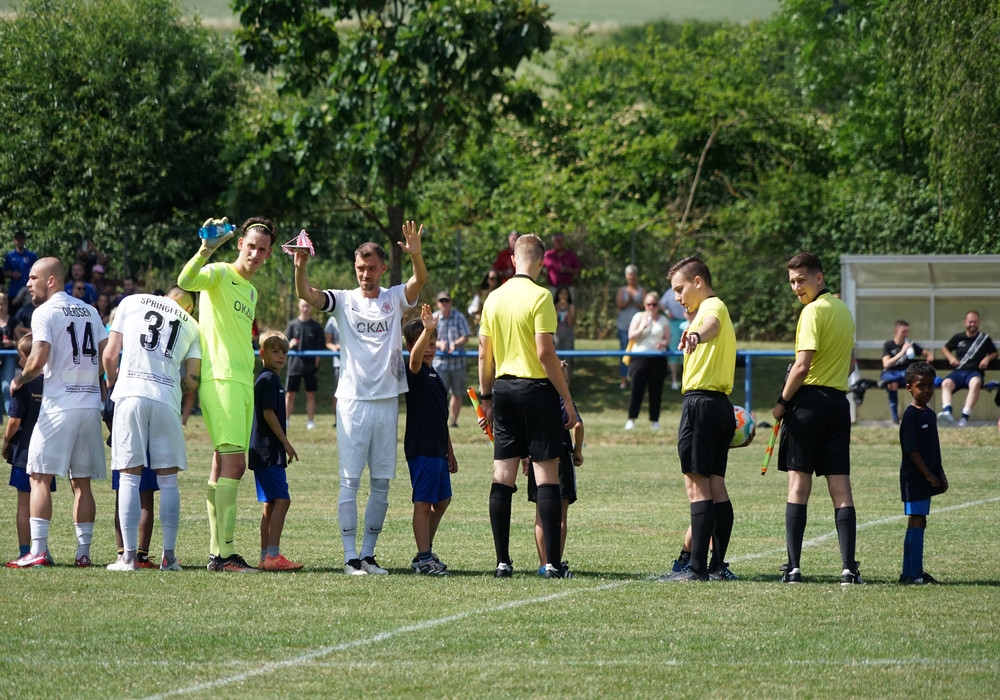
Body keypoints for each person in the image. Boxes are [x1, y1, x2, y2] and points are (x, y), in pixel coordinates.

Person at [293, 221, 427, 575]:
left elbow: (419, 281)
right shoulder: (344, 300)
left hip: (387, 401)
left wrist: (416, 255)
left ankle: (368, 555)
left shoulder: (393, 298)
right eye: (360, 268)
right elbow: (308, 294)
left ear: (382, 269)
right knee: (350, 481)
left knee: (381, 483)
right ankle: (350, 556)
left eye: (371, 268)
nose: (365, 274)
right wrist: (301, 266)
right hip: (352, 402)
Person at [477, 233, 580, 579]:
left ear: (513, 259)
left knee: (502, 475)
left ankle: (502, 562)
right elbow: (544, 352)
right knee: (546, 475)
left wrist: (487, 398)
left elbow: (484, 353)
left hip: (504, 389)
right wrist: (566, 399)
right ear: (541, 261)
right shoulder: (541, 296)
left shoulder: (494, 298)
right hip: (537, 390)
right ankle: (552, 564)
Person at [178, 216, 275, 573]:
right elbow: (186, 281)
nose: (255, 253)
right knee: (235, 464)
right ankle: (226, 555)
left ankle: (216, 553)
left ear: (268, 254)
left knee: (222, 464)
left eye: (262, 249)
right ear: (239, 245)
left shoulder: (251, 291)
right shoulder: (218, 272)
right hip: (221, 379)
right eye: (251, 246)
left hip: (242, 382)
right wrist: (206, 248)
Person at [8, 258, 108, 568]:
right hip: (89, 406)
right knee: (82, 483)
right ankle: (83, 554)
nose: (28, 283)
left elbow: (38, 357)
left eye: (33, 277)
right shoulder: (90, 311)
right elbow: (106, 355)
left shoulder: (44, 312)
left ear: (51, 280)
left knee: (38, 476)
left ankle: (37, 551)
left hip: (59, 406)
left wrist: (19, 379)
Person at [772, 252, 861, 585]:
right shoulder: (844, 311)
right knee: (841, 487)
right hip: (838, 404)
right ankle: (849, 569)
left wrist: (782, 402)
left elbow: (802, 365)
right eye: (792, 282)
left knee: (799, 485)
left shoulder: (811, 312)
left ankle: (793, 568)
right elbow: (851, 364)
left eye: (802, 280)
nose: (796, 287)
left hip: (807, 405)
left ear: (819, 278)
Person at [103, 286, 201, 572]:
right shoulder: (192, 325)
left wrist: (112, 382)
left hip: (131, 393)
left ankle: (128, 557)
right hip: (166, 398)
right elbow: (192, 378)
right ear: (189, 307)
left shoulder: (131, 301)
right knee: (168, 480)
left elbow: (110, 355)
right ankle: (169, 557)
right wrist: (175, 388)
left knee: (129, 477)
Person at [658, 258, 741, 582]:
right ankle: (717, 566)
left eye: (680, 289)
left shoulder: (711, 307)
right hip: (720, 406)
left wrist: (696, 336)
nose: (677, 297)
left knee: (697, 488)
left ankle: (695, 569)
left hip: (700, 405)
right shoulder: (711, 309)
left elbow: (711, 326)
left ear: (697, 281)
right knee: (716, 486)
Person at [403, 306, 458, 575]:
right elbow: (414, 359)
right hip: (421, 448)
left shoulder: (437, 377)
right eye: (423, 343)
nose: (428, 349)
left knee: (443, 500)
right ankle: (424, 559)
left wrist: (450, 451)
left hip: (437, 449)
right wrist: (427, 330)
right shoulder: (414, 371)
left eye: (433, 343)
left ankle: (424, 551)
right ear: (411, 346)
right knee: (423, 503)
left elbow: (441, 418)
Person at [250, 330, 302, 571]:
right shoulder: (269, 379)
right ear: (262, 353)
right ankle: (272, 556)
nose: (281, 356)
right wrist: (285, 443)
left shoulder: (268, 378)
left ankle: (265, 557)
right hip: (268, 451)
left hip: (262, 452)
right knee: (282, 500)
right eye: (275, 351)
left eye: (284, 352)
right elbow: (268, 414)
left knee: (270, 504)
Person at [524, 361, 582, 579]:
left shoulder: (534, 399)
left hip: (536, 457)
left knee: (540, 514)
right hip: (560, 457)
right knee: (560, 515)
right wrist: (578, 450)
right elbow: (578, 425)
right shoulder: (562, 399)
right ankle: (554, 562)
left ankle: (543, 563)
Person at [897, 361, 948, 585]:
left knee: (918, 521)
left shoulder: (930, 415)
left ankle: (908, 573)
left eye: (930, 385)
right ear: (909, 387)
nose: (926, 390)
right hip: (915, 478)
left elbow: (933, 449)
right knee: (917, 520)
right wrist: (927, 474)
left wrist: (940, 473)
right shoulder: (911, 416)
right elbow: (911, 450)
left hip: (927, 476)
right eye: (921, 386)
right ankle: (915, 573)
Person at [3, 333, 51, 566]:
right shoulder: (50, 382)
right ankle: (42, 548)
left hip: (24, 449)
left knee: (24, 502)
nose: (20, 361)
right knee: (42, 497)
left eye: (22, 357)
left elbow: (14, 420)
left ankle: (25, 551)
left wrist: (5, 443)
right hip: (47, 448)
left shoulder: (22, 384)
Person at [937, 310, 997, 427]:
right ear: (965, 322)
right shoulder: (958, 337)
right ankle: (947, 412)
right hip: (958, 372)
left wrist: (987, 358)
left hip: (974, 373)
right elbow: (944, 349)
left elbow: (995, 353)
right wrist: (950, 358)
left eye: (975, 322)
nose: (972, 324)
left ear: (978, 322)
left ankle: (964, 418)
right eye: (970, 322)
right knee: (946, 383)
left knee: (976, 383)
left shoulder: (984, 338)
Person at [624, 292, 670, 431]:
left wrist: (662, 343)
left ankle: (655, 421)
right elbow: (631, 336)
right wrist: (642, 327)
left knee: (656, 391)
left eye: (654, 304)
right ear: (644, 305)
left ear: (658, 306)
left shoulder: (663, 320)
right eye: (649, 304)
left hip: (658, 358)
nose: (651, 307)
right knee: (636, 390)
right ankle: (631, 419)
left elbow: (667, 338)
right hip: (639, 357)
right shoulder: (638, 317)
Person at [880, 320, 933, 423]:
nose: (906, 334)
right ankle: (895, 418)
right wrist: (902, 351)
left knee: (914, 381)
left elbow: (928, 354)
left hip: (905, 375)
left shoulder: (910, 344)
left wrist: (929, 358)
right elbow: (886, 364)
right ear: (896, 331)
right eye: (903, 332)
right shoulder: (889, 345)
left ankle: (920, 414)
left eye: (907, 332)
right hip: (892, 373)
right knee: (893, 384)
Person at [284, 298, 325, 430]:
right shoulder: (292, 325)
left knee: (311, 394)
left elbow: (320, 349)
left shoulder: (316, 327)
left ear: (311, 307)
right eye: (303, 306)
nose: (305, 308)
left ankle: (310, 422)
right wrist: (290, 344)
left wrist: (316, 364)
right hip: (294, 365)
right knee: (290, 394)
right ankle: (286, 420)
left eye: (307, 306)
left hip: (310, 367)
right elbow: (283, 345)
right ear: (298, 306)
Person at [432, 289, 471, 428]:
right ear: (437, 303)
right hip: (439, 363)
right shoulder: (434, 318)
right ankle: (440, 421)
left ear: (451, 302)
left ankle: (453, 422)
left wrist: (455, 343)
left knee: (457, 394)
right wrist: (439, 344)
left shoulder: (459, 317)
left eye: (446, 301)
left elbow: (466, 336)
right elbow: (427, 338)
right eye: (441, 301)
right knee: (439, 395)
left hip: (457, 363)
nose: (444, 303)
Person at [616, 265, 645, 390]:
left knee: (637, 352)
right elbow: (620, 305)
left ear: (636, 276)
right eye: (629, 275)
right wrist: (629, 301)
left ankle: (635, 377)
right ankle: (623, 379)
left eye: (633, 274)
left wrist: (636, 303)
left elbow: (646, 306)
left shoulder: (642, 290)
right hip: (624, 326)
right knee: (624, 352)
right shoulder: (622, 290)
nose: (631, 277)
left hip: (638, 328)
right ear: (626, 276)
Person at [659, 289, 688, 391]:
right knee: (673, 350)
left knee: (687, 350)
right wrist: (667, 312)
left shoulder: (688, 289)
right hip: (673, 322)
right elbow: (661, 303)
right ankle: (674, 380)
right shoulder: (669, 292)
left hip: (687, 321)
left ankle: (686, 380)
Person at [3, 230, 38, 312]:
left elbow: (38, 270)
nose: (20, 241)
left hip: (28, 290)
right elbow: (4, 272)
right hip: (14, 291)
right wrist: (12, 274)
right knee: (14, 314)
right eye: (18, 239)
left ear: (25, 240)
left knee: (29, 313)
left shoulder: (31, 256)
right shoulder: (10, 256)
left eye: (22, 239)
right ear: (14, 241)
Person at [0, 291, 20, 413]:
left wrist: (12, 343)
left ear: (6, 304)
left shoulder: (13, 321)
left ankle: (10, 414)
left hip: (8, 356)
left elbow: (22, 343)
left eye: (2, 304)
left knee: (7, 387)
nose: (0, 307)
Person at [553, 285, 576, 387]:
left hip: (568, 336)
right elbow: (554, 324)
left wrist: (567, 309)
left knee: (568, 361)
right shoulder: (554, 306)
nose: (563, 296)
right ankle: (557, 385)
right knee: (556, 360)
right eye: (561, 293)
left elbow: (571, 324)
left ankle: (567, 386)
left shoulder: (571, 307)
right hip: (557, 336)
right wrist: (558, 309)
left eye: (565, 294)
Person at [324, 314, 341, 428]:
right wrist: (335, 347)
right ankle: (337, 420)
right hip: (339, 364)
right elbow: (328, 342)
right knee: (338, 392)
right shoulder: (332, 319)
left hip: (357, 362)